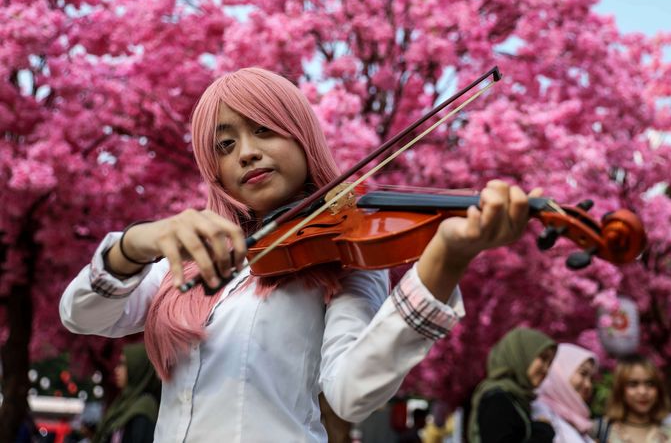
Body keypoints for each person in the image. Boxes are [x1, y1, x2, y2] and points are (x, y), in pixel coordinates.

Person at [59, 67, 540, 442]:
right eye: (225, 145)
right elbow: (81, 314)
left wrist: (445, 260)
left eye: (265, 130)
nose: (246, 153)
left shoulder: (341, 257)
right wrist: (136, 242)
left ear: (301, 136)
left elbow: (351, 392)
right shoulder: (191, 258)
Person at [468, 327, 558, 442]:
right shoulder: (497, 399)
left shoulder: (518, 398)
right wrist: (543, 431)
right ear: (521, 355)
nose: (546, 369)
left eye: (549, 363)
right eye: (543, 358)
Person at [592, 354, 671, 442]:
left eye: (650, 384)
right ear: (619, 390)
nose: (643, 392)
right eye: (633, 384)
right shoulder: (601, 429)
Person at [93, 343, 160, 443]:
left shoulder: (145, 406)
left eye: (123, 364)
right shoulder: (125, 402)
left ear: (137, 368)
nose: (117, 370)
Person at [532, 343, 598, 443]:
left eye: (591, 379)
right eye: (583, 374)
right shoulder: (540, 412)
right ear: (559, 372)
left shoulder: (578, 424)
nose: (588, 385)